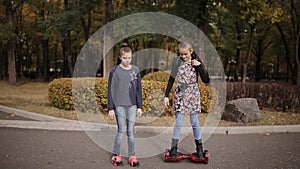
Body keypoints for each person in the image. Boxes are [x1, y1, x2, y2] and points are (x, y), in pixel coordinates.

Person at [164, 40, 210, 159]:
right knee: (178, 123)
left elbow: (206, 80)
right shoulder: (177, 62)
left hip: (193, 95)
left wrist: (200, 66)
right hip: (180, 95)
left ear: (191, 51)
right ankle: (174, 150)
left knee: (194, 122)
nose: (183, 56)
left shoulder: (196, 63)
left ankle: (199, 149)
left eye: (186, 54)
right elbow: (171, 79)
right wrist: (166, 95)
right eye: (181, 54)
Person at [107, 45, 142, 167]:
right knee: (121, 130)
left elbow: (138, 90)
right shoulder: (114, 71)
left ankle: (132, 155)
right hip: (119, 106)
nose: (128, 60)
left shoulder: (135, 70)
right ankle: (116, 154)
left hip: (132, 106)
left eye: (129, 58)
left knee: (131, 131)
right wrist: (110, 108)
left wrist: (139, 106)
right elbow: (110, 91)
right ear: (120, 57)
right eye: (125, 58)